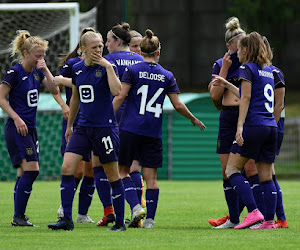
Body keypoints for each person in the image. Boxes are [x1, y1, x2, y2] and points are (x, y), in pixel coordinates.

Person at [113, 29, 206, 228]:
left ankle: (136, 206)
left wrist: (107, 117)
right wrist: (193, 118)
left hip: (129, 128)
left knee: (122, 171)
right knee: (151, 179)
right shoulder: (167, 75)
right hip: (152, 132)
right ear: (158, 52)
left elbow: (120, 97)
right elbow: (178, 105)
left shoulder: (133, 71)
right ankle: (150, 221)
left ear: (141, 52)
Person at [48, 30, 125, 231]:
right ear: (83, 49)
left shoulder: (109, 66)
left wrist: (108, 66)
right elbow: (75, 98)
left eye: (101, 46)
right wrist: (71, 125)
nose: (99, 50)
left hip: (105, 129)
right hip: (82, 128)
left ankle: (119, 222)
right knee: (67, 168)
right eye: (95, 47)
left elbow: (117, 91)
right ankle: (66, 219)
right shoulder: (77, 68)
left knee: (112, 174)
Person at [211, 31, 278, 229]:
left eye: (240, 49)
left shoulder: (246, 68)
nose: (236, 53)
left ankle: (253, 212)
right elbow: (247, 92)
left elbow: (246, 99)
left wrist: (240, 126)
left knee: (231, 169)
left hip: (254, 126)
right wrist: (226, 84)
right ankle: (269, 221)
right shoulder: (268, 70)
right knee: (265, 176)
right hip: (270, 127)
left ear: (246, 50)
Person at [0, 30, 58, 226]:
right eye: (37, 56)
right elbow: (1, 98)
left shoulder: (37, 72)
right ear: (26, 54)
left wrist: (46, 70)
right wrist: (16, 118)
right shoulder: (14, 73)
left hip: (30, 129)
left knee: (24, 173)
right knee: (32, 171)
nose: (40, 58)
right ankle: (18, 216)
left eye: (43, 55)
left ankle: (19, 217)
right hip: (18, 128)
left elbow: (55, 89)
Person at [52, 27, 97, 224]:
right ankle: (65, 208)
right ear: (83, 47)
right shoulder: (72, 64)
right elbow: (55, 86)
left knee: (91, 171)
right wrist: (63, 106)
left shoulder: (101, 66)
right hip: (75, 123)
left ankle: (82, 214)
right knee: (75, 170)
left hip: (95, 123)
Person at [104, 23, 146, 227]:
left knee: (116, 170)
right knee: (135, 168)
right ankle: (135, 211)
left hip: (114, 119)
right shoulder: (141, 60)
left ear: (117, 42)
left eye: (108, 40)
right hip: (139, 119)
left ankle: (130, 208)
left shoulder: (106, 61)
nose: (105, 44)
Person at [262, 36, 288, 228]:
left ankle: (279, 217)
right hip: (269, 125)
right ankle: (276, 217)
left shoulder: (273, 72)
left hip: (272, 125)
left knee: (268, 172)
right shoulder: (266, 71)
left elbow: (278, 106)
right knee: (266, 172)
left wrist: (271, 124)